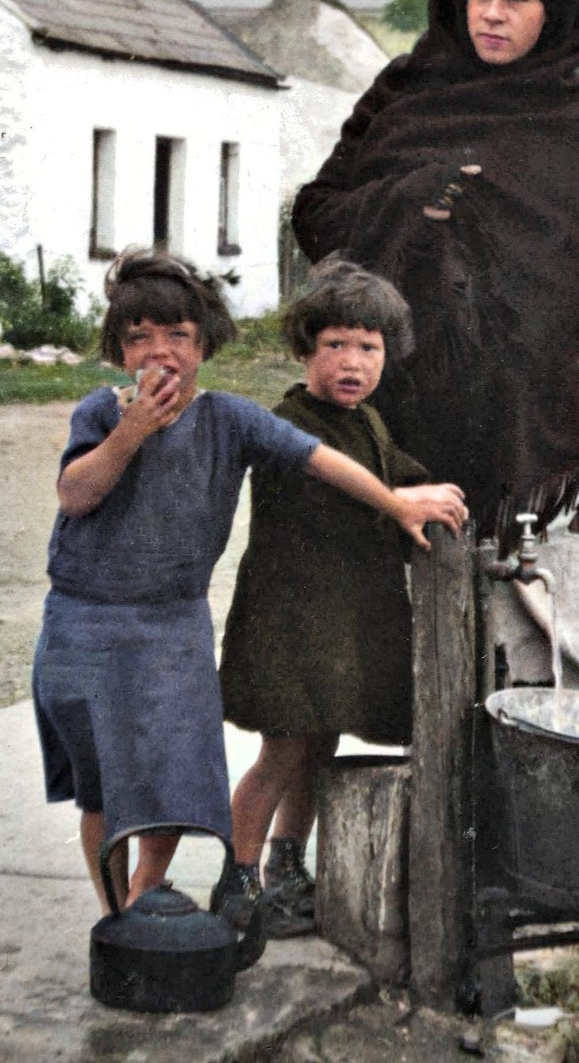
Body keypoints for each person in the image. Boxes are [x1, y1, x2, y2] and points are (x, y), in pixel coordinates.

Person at [32, 248, 467, 914]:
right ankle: (117, 918)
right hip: (88, 622)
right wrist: (130, 432)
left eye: (177, 335)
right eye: (140, 337)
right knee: (105, 788)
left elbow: (320, 459)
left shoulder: (230, 418)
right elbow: (74, 495)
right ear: (120, 352)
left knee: (175, 781)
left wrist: (400, 500)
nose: (161, 352)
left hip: (175, 621)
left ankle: (149, 897)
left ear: (203, 344)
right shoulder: (100, 411)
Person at [292, 0, 579, 696]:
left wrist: (478, 237)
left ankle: (553, 779)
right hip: (400, 408)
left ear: (553, 11)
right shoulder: (407, 88)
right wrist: (412, 202)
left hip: (517, 421)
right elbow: (316, 211)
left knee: (542, 640)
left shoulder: (563, 113)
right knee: (415, 650)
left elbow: (564, 266)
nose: (491, 14)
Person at [217, 257, 468, 935]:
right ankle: (236, 878)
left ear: (387, 356)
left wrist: (426, 491)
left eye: (368, 347)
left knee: (318, 749)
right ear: (303, 350)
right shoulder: (290, 424)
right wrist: (398, 502)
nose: (350, 362)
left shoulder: (367, 423)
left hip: (339, 620)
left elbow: (393, 474)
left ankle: (287, 865)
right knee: (282, 751)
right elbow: (332, 501)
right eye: (333, 346)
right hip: (291, 618)